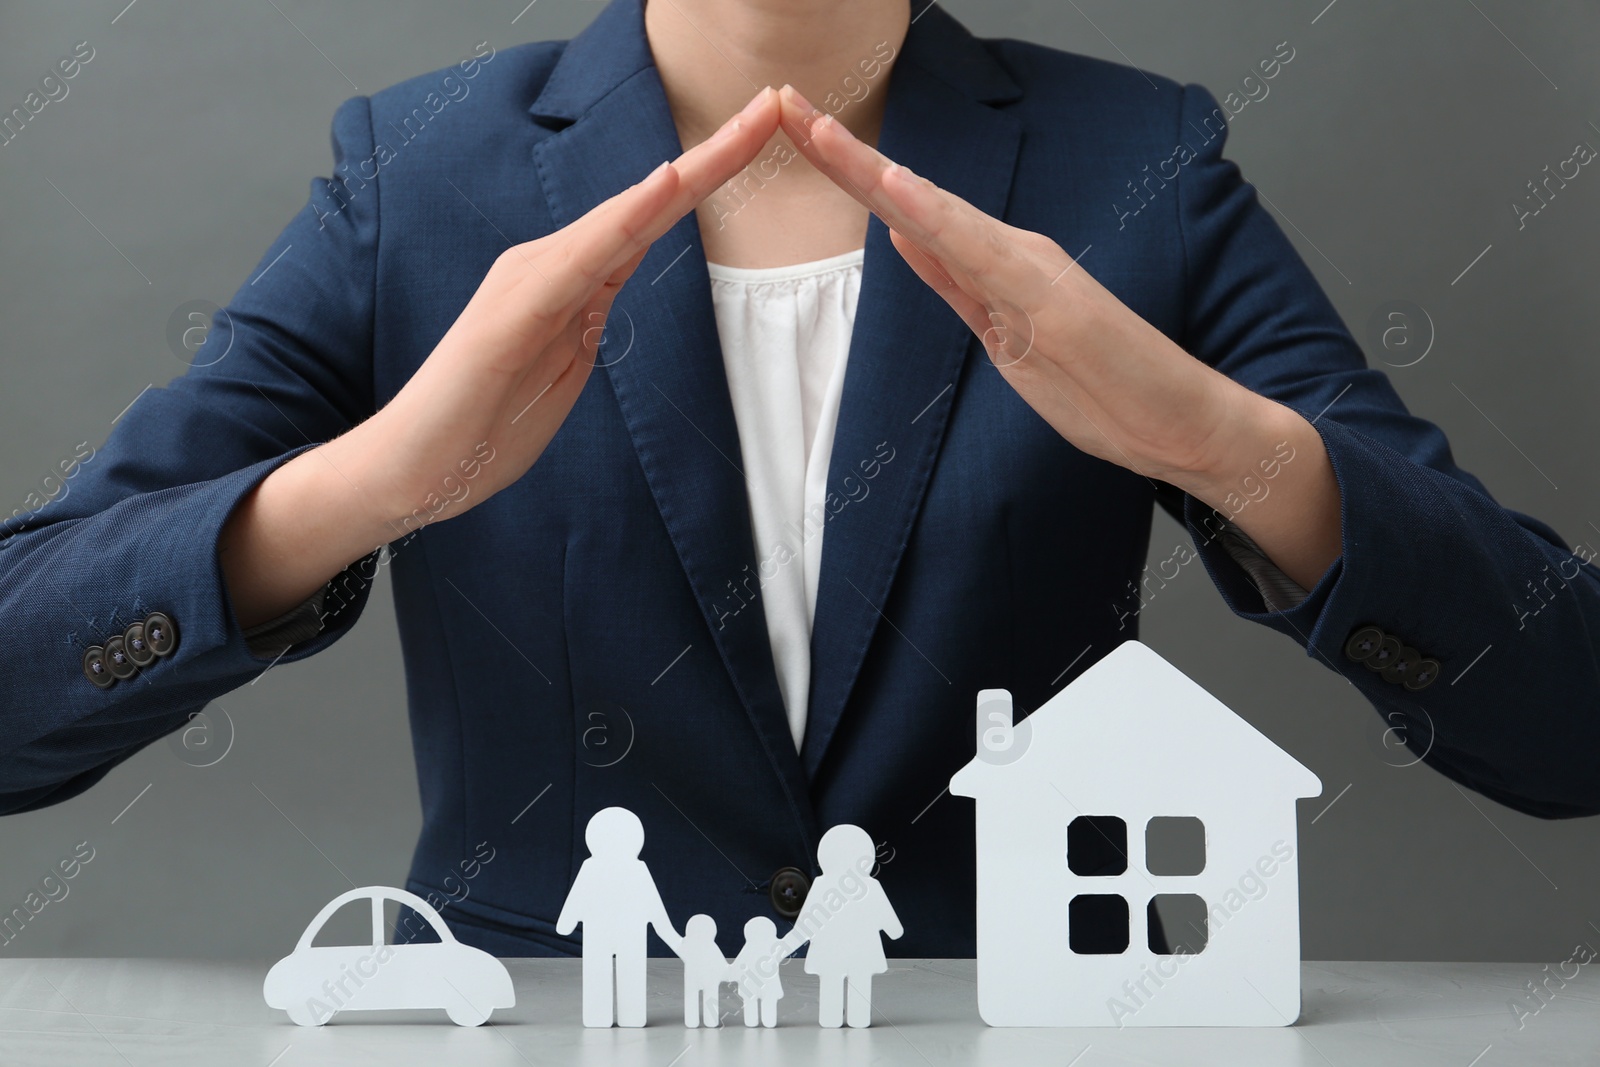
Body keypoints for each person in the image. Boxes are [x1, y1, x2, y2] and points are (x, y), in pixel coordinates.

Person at [2, 0, 1598, 964]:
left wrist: (1218, 442)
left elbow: (1569, 711)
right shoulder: (415, 178)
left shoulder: (1141, 167)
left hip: (1045, 1025)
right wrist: (365, 487)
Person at [555, 808, 683, 1027]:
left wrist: (566, 923)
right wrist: (674, 939)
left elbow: (575, 904)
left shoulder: (597, 868)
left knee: (617, 974)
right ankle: (621, 1017)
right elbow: (656, 912)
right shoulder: (627, 869)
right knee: (615, 974)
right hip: (622, 937)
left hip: (608, 937)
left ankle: (605, 1017)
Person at [783, 824, 902, 1028]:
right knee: (858, 982)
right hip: (863, 951)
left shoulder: (822, 885)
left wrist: (785, 946)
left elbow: (805, 926)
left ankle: (833, 1018)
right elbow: (894, 928)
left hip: (829, 951)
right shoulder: (870, 886)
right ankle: (857, 1018)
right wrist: (892, 931)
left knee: (832, 981)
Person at [679, 913, 733, 1027]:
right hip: (706, 980)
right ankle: (706, 1021)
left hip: (697, 980)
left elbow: (721, 965)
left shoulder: (689, 945)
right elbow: (722, 965)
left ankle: (697, 1021)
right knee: (704, 997)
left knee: (694, 998)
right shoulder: (710, 947)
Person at [731, 916, 786, 1027]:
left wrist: (730, 974)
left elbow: (737, 966)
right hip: (760, 985)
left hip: (752, 985)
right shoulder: (774, 947)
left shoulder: (750, 949)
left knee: (757, 1002)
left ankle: (758, 1021)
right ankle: (762, 1021)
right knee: (761, 1002)